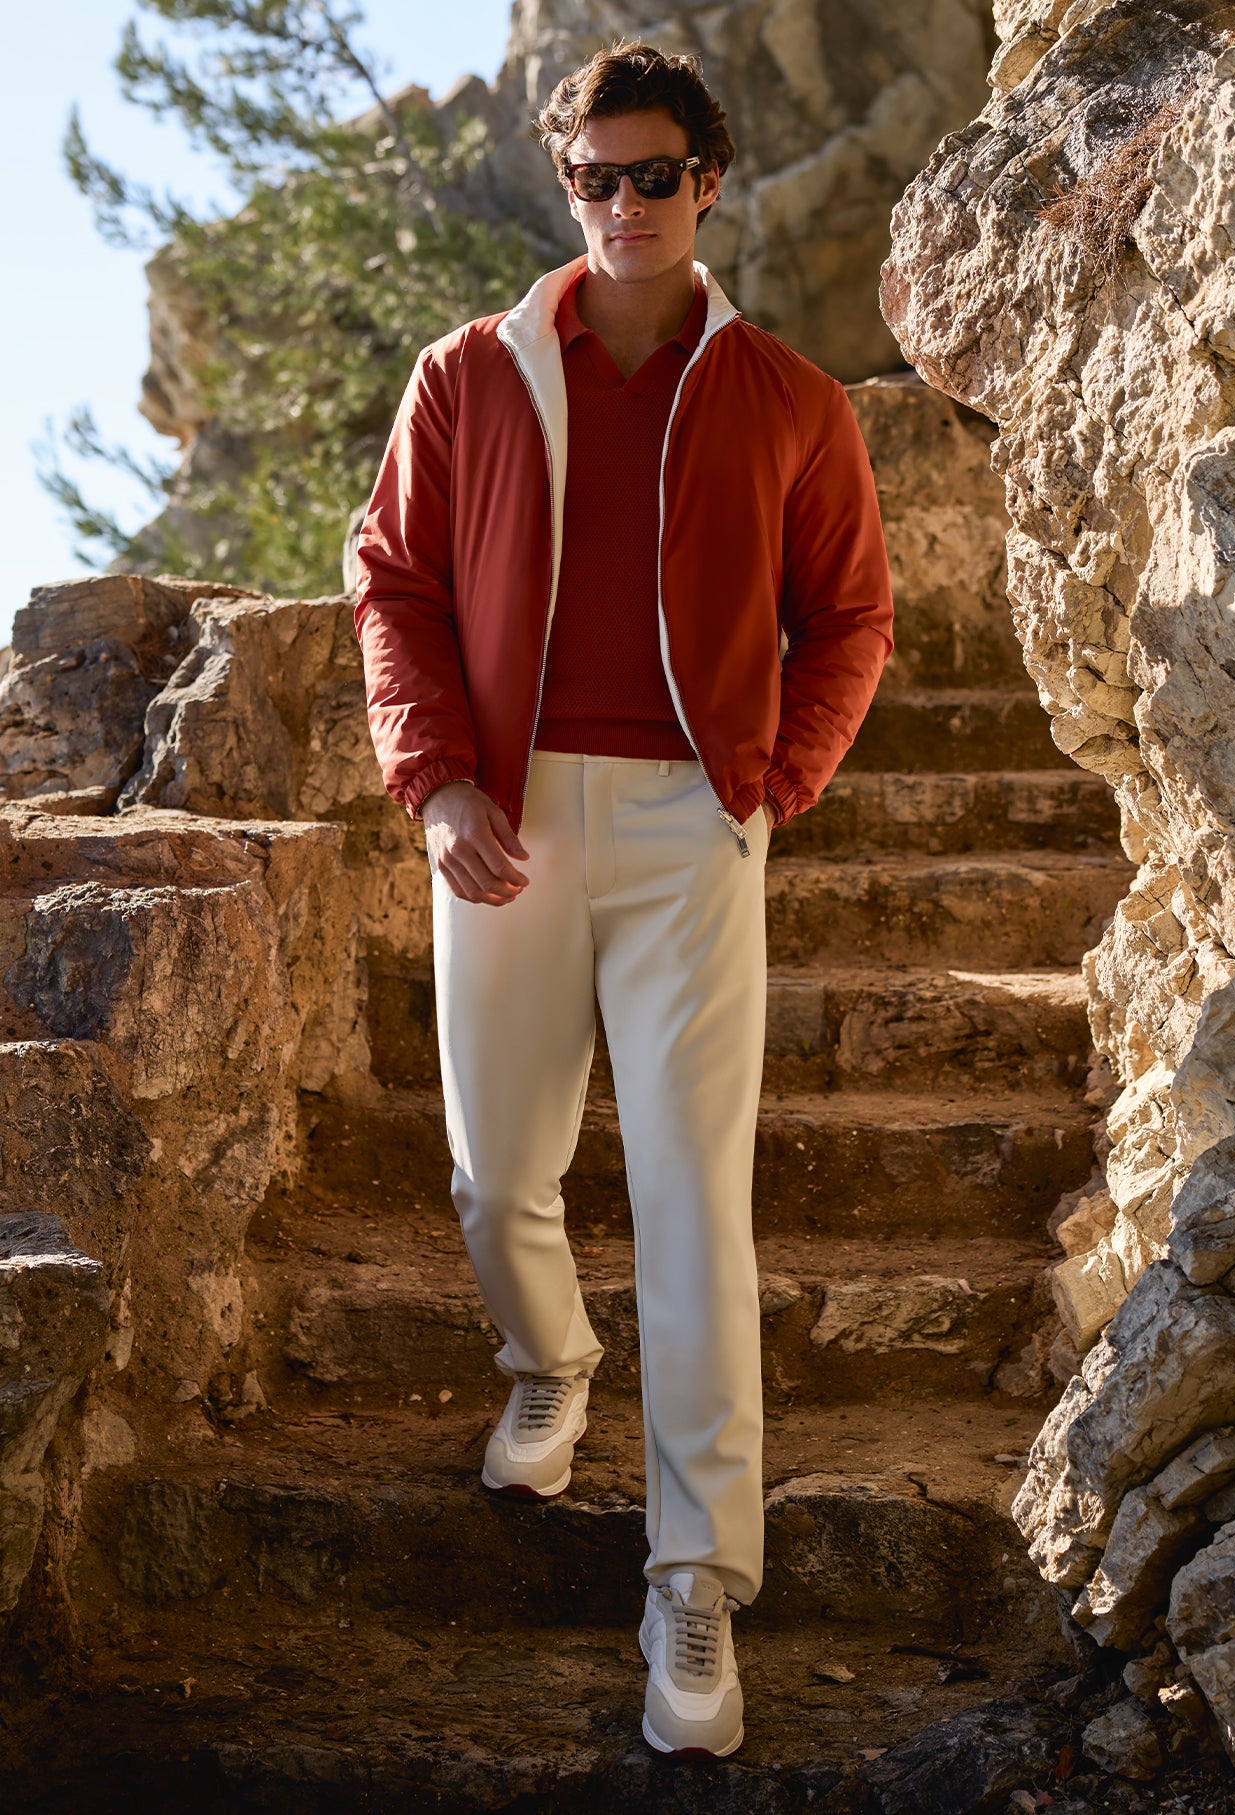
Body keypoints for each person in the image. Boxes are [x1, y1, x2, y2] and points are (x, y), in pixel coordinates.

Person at [354, 40, 894, 1760]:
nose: (623, 204)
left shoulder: (789, 399)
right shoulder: (466, 376)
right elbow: (393, 583)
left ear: (705, 183)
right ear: (563, 182)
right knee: (493, 1171)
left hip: (685, 825)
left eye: (653, 175)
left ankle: (694, 1579)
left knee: (688, 1201)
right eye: (593, 177)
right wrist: (437, 779)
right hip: (501, 817)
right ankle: (550, 1364)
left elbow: (851, 615)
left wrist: (771, 782)